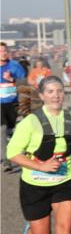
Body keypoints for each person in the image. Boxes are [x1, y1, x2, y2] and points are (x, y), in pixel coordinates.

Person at [7, 76, 71, 234]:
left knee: (66, 229)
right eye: (50, 91)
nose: (56, 95)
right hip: (35, 185)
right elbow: (12, 153)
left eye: (59, 90)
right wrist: (40, 167)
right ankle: (30, 232)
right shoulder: (30, 122)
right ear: (41, 95)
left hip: (65, 181)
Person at [1, 42, 27, 173]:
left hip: (12, 103)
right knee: (2, 130)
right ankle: (7, 162)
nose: (3, 53)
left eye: (5, 51)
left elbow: (24, 83)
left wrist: (12, 80)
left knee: (10, 131)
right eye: (0, 51)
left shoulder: (14, 66)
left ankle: (17, 149)